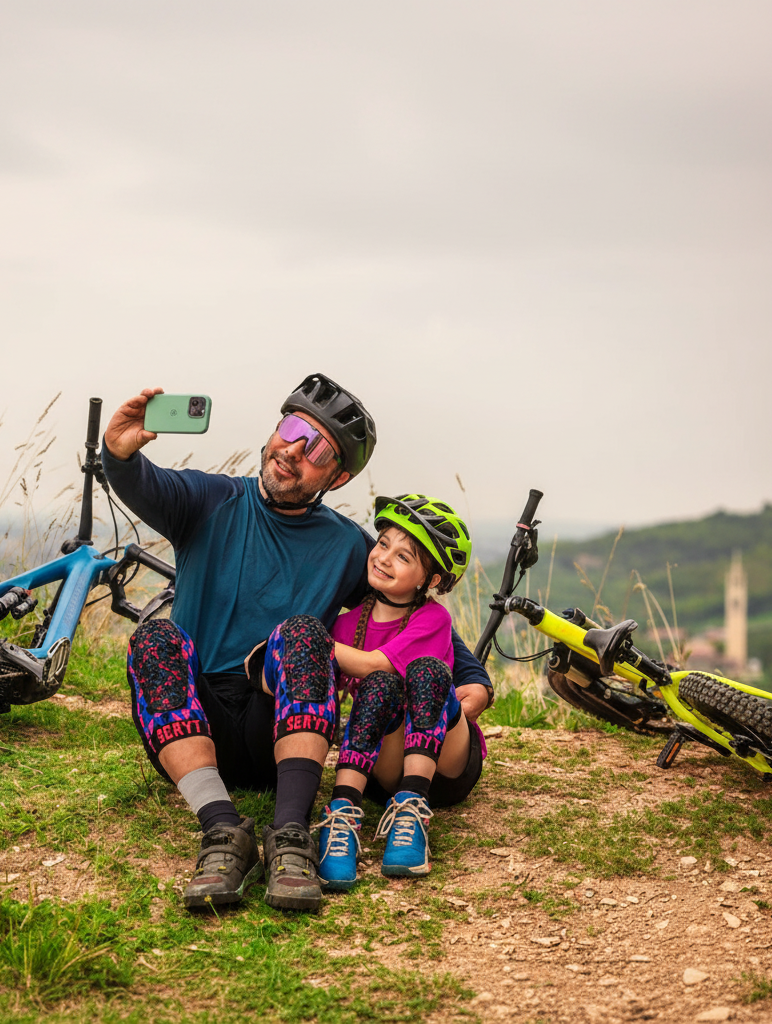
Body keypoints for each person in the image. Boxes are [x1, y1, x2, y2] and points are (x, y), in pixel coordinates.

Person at [101, 373, 492, 913]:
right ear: (274, 429)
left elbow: (417, 616)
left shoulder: (348, 547)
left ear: (337, 477)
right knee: (153, 636)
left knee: (305, 633)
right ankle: (221, 829)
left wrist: (471, 679)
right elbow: (145, 482)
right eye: (291, 429)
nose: (294, 451)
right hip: (195, 724)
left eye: (319, 450)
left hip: (280, 726)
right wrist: (119, 455)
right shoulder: (209, 500)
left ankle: (290, 836)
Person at [316, 495, 486, 891]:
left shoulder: (433, 619)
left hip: (447, 764)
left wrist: (310, 643)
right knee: (379, 689)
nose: (384, 557)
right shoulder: (346, 626)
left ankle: (412, 813)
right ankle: (341, 816)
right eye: (383, 544)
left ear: (434, 581)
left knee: (423, 672)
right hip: (384, 767)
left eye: (404, 556)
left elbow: (376, 663)